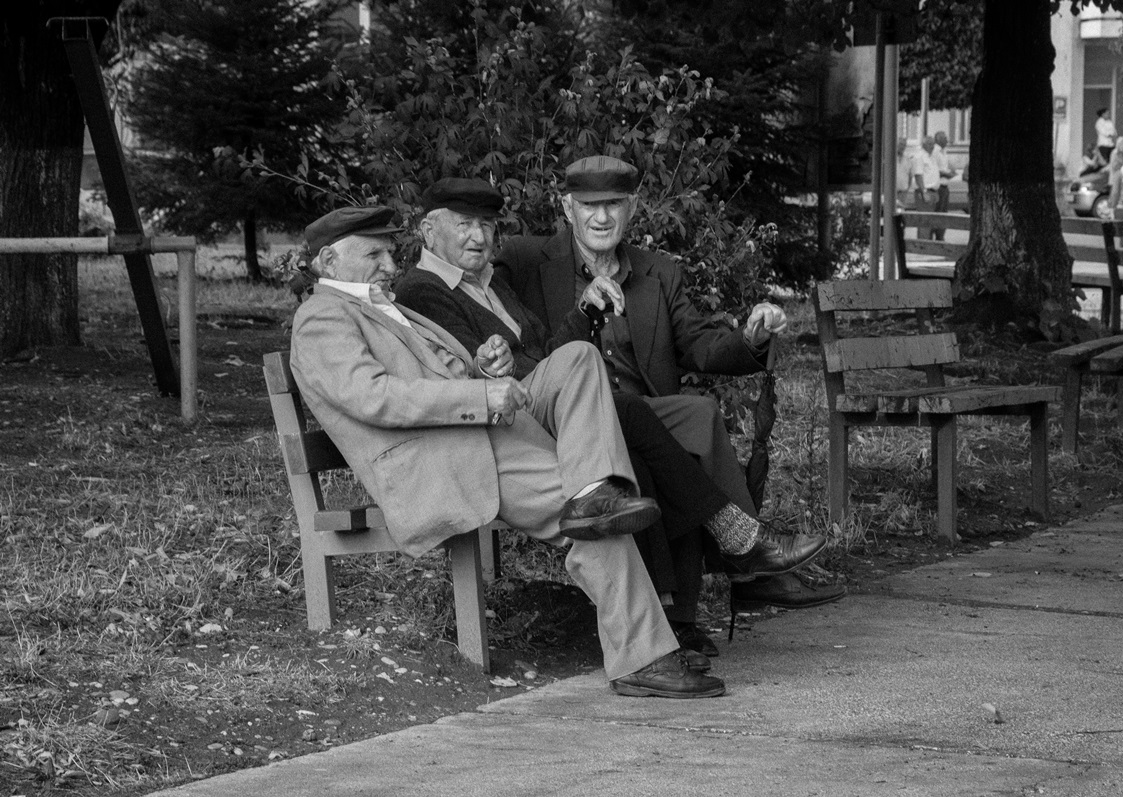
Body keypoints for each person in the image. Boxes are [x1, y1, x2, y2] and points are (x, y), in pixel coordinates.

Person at [289, 205, 724, 699]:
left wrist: (481, 368)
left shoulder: (379, 304)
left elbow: (436, 374)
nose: (390, 266)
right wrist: (480, 395)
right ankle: (642, 656)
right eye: (375, 255)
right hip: (451, 458)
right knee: (590, 515)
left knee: (578, 361)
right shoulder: (322, 317)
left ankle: (595, 493)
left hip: (481, 434)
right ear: (329, 261)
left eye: (389, 253)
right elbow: (373, 397)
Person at [396, 178, 834, 660]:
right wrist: (486, 365)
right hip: (515, 423)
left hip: (561, 398)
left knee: (674, 423)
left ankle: (685, 610)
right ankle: (738, 545)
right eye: (464, 225)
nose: (478, 237)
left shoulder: (493, 281)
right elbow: (453, 368)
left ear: (632, 209)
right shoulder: (427, 289)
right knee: (627, 417)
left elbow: (550, 352)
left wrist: (586, 312)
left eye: (485, 225)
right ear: (428, 230)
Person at [494, 156, 847, 616]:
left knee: (691, 423)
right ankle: (750, 567)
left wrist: (750, 337)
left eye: (613, 204)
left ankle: (731, 583)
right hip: (574, 422)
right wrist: (581, 312)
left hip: (642, 413)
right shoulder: (527, 263)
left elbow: (701, 344)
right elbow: (521, 348)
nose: (602, 217)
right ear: (567, 208)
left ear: (632, 207)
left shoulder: (658, 272)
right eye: (589, 205)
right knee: (683, 427)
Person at [910, 136, 940, 239]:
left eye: (933, 144)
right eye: (930, 144)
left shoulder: (932, 157)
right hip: (925, 192)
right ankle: (922, 244)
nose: (932, 146)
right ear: (924, 145)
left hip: (933, 191)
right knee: (924, 222)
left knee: (930, 222)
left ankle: (928, 243)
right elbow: (918, 175)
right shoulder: (919, 156)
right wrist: (924, 192)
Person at [932, 132, 957, 239]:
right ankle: (936, 236)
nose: (947, 140)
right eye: (944, 138)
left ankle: (941, 236)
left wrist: (951, 172)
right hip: (938, 187)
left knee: (944, 213)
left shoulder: (944, 152)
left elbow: (947, 167)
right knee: (938, 213)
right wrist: (947, 174)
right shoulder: (935, 151)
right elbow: (935, 170)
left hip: (945, 186)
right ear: (938, 139)